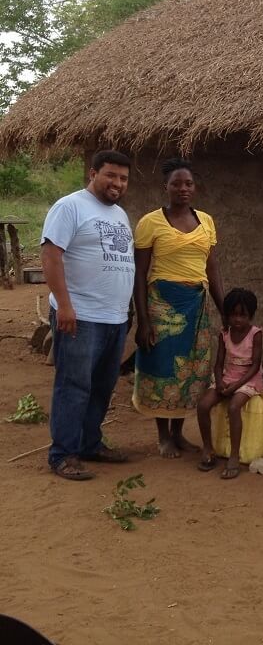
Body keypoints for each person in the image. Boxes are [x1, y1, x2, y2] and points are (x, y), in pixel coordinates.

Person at [41, 150, 134, 480]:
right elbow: (51, 255)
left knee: (102, 386)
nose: (117, 183)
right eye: (110, 175)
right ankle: (63, 454)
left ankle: (90, 444)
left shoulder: (120, 215)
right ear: (93, 174)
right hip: (81, 316)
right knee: (74, 384)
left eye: (123, 178)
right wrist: (64, 305)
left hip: (114, 319)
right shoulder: (70, 206)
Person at [133, 158, 224, 457]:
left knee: (190, 371)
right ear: (166, 187)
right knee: (162, 368)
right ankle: (163, 437)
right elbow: (140, 272)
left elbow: (212, 270)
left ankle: (179, 433)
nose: (183, 189)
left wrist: (224, 310)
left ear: (194, 188)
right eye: (176, 183)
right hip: (163, 305)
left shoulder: (206, 221)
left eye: (188, 184)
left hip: (196, 304)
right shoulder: (150, 222)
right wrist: (143, 320)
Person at [196, 288, 263, 479]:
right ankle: (208, 448)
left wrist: (235, 387)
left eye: (243, 315)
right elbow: (218, 364)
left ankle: (234, 456)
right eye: (233, 315)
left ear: (251, 315)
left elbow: (255, 366)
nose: (237, 320)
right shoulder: (224, 333)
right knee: (203, 405)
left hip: (249, 379)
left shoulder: (255, 334)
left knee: (234, 407)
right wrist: (219, 383)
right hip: (227, 376)